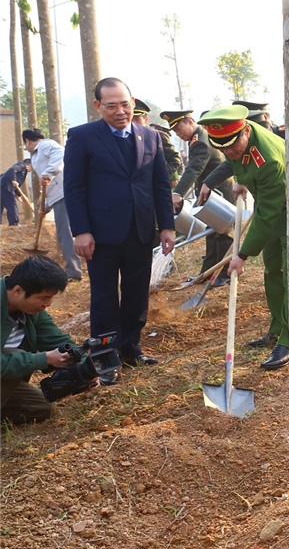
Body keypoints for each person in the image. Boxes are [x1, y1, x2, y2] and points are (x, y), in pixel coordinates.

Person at [64, 78, 175, 366]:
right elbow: (73, 187)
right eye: (111, 105)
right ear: (98, 106)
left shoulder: (150, 137)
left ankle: (130, 348)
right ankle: (104, 355)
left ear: (133, 102)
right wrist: (81, 231)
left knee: (137, 293)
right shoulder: (82, 136)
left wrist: (166, 225)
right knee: (104, 296)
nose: (120, 111)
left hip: (140, 229)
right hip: (100, 233)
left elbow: (160, 185)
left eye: (125, 104)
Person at [198, 105, 289, 370]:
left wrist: (242, 254)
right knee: (273, 270)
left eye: (233, 145)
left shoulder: (269, 159)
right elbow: (233, 160)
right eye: (222, 147)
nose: (229, 152)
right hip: (270, 208)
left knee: (288, 275)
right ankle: (277, 326)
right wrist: (210, 181)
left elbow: (267, 212)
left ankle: (288, 338)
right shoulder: (237, 139)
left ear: (246, 130)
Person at [162, 109, 235, 285]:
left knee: (223, 234)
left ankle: (225, 274)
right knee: (211, 235)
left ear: (190, 121)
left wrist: (178, 193)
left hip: (220, 194)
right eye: (175, 131)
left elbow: (194, 169)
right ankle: (207, 273)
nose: (178, 134)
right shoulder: (196, 139)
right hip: (208, 195)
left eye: (179, 128)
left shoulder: (201, 141)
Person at [1, 256, 75, 425]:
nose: (48, 304)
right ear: (18, 291)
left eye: (51, 298)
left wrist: (84, 364)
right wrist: (44, 359)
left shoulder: (30, 310)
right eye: (43, 298)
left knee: (40, 407)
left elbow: (55, 339)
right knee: (16, 354)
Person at [22, 129, 82, 282]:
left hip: (66, 195)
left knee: (65, 234)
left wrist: (48, 173)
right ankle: (73, 269)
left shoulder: (46, 145)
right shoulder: (36, 153)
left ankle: (74, 272)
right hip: (59, 196)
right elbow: (50, 186)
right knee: (65, 234)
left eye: (25, 145)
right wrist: (46, 205)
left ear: (27, 141)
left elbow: (61, 154)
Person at [134, 99, 181, 187]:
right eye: (131, 120)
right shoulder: (125, 138)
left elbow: (175, 158)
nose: (134, 123)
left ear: (146, 120)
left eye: (137, 120)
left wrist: (161, 177)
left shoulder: (157, 136)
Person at [0, 159, 30, 226]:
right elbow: (12, 170)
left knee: (0, 205)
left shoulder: (22, 171)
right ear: (30, 165)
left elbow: (17, 185)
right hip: (5, 187)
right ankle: (14, 223)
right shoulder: (22, 166)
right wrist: (13, 180)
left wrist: (18, 195)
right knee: (12, 205)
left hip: (2, 186)